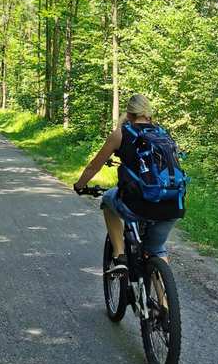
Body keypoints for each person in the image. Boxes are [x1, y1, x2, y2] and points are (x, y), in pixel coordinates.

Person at [72, 94, 181, 273]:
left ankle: (120, 254)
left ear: (128, 114)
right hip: (172, 203)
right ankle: (167, 301)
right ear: (148, 112)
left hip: (138, 203)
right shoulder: (163, 134)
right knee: (157, 249)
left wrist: (79, 185)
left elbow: (93, 167)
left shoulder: (120, 134)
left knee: (108, 199)